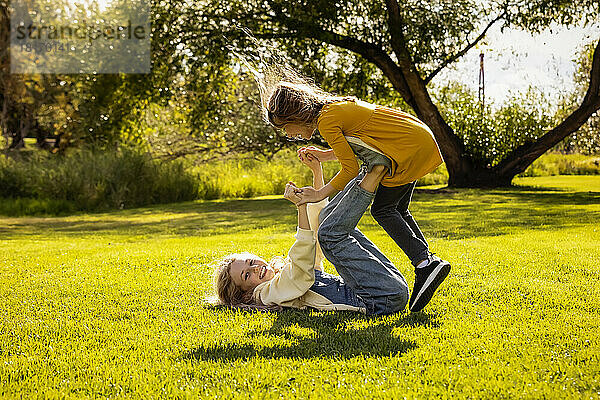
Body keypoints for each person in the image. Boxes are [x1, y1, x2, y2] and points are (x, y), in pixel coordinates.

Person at [264, 80, 450, 312]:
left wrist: (319, 193)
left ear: (296, 115)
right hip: (413, 140)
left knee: (383, 210)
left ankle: (424, 263)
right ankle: (428, 262)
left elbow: (350, 168)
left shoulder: (326, 121)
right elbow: (355, 147)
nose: (290, 135)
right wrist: (323, 156)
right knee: (398, 210)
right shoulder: (332, 108)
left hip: (402, 147)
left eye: (285, 128)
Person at [213, 155, 409, 315]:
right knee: (331, 233)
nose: (255, 268)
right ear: (246, 294)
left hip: (387, 288)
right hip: (381, 300)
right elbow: (301, 269)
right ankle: (371, 172)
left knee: (326, 222)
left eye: (250, 262)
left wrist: (317, 172)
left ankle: (371, 171)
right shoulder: (266, 294)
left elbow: (316, 235)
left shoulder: (281, 276)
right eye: (246, 275)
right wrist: (300, 207)